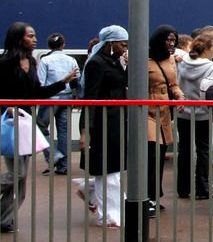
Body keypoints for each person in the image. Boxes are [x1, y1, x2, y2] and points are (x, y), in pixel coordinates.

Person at [0, 22, 77, 234]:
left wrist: (63, 82)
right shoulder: (4, 63)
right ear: (18, 38)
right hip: (9, 121)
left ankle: (4, 220)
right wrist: (6, 107)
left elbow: (36, 93)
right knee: (17, 175)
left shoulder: (32, 62)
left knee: (21, 180)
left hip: (25, 121)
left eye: (34, 35)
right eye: (30, 36)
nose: (35, 39)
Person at [79, 25, 128, 228]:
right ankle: (107, 215)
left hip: (115, 122)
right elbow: (90, 98)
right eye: (122, 44)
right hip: (102, 124)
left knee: (113, 170)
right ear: (110, 43)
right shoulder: (96, 64)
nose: (125, 48)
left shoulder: (115, 62)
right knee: (108, 171)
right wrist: (85, 131)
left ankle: (90, 191)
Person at [147, 25, 185, 217]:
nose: (171, 44)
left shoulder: (170, 59)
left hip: (164, 111)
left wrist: (179, 96)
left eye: (173, 40)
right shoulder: (143, 57)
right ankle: (148, 198)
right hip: (147, 111)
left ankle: (154, 196)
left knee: (160, 154)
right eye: (168, 40)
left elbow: (173, 84)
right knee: (151, 154)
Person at [177, 34, 213, 202]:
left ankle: (183, 187)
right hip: (203, 113)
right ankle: (202, 188)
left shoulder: (183, 61)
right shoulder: (210, 68)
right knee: (204, 150)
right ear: (206, 50)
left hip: (183, 111)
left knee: (184, 149)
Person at [37, 33, 80, 175]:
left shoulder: (45, 60)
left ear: (49, 45)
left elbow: (41, 82)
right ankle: (63, 166)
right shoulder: (71, 60)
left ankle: (53, 154)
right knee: (64, 131)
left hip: (51, 99)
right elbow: (76, 80)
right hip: (66, 99)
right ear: (63, 45)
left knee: (39, 126)